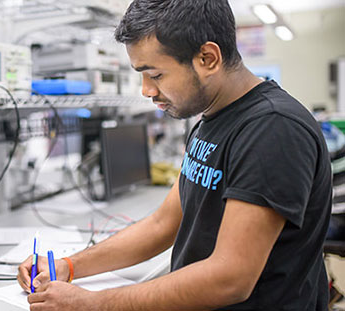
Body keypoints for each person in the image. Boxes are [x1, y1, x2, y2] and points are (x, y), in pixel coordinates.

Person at [17, 0, 332, 310]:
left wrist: (94, 303)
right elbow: (162, 224)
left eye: (154, 75)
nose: (146, 90)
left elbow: (230, 278)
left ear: (208, 58)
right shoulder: (213, 119)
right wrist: (68, 266)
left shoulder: (273, 129)